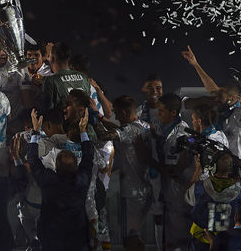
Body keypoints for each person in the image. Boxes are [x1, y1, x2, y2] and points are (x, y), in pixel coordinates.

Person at [182, 45, 241, 201]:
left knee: (240, 214)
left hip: (238, 174)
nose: (215, 96)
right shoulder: (222, 111)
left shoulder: (239, 116)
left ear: (234, 99)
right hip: (220, 173)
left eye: (220, 94)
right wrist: (196, 65)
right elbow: (213, 89)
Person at [28, 108, 94, 251]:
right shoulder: (82, 180)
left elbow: (33, 160)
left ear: (55, 167)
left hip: (51, 240)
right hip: (78, 240)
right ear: (77, 166)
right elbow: (88, 156)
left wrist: (35, 130)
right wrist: (83, 131)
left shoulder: (47, 180)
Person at [105, 96, 153, 245]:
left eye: (117, 113)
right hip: (145, 188)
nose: (116, 117)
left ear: (125, 112)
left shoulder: (130, 129)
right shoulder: (144, 125)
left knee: (132, 235)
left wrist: (91, 120)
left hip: (134, 191)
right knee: (138, 234)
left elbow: (106, 135)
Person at [185, 153, 241, 251]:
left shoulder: (199, 188)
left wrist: (198, 169)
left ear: (213, 167)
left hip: (202, 240)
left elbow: (187, 196)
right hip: (227, 243)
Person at [155, 94, 193, 251]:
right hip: (169, 192)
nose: (159, 115)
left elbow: (177, 168)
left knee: (180, 234)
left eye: (162, 111)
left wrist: (150, 162)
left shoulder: (182, 135)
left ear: (173, 113)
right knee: (170, 234)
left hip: (178, 193)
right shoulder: (164, 130)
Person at [42, 42, 91, 110]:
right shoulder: (83, 77)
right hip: (84, 120)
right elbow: (88, 104)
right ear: (68, 58)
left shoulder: (51, 81)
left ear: (52, 59)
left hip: (62, 119)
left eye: (49, 56)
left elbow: (47, 110)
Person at [69, 54, 113, 119]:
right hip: (103, 125)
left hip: (94, 126)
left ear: (72, 68)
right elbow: (109, 112)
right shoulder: (95, 85)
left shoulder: (75, 88)